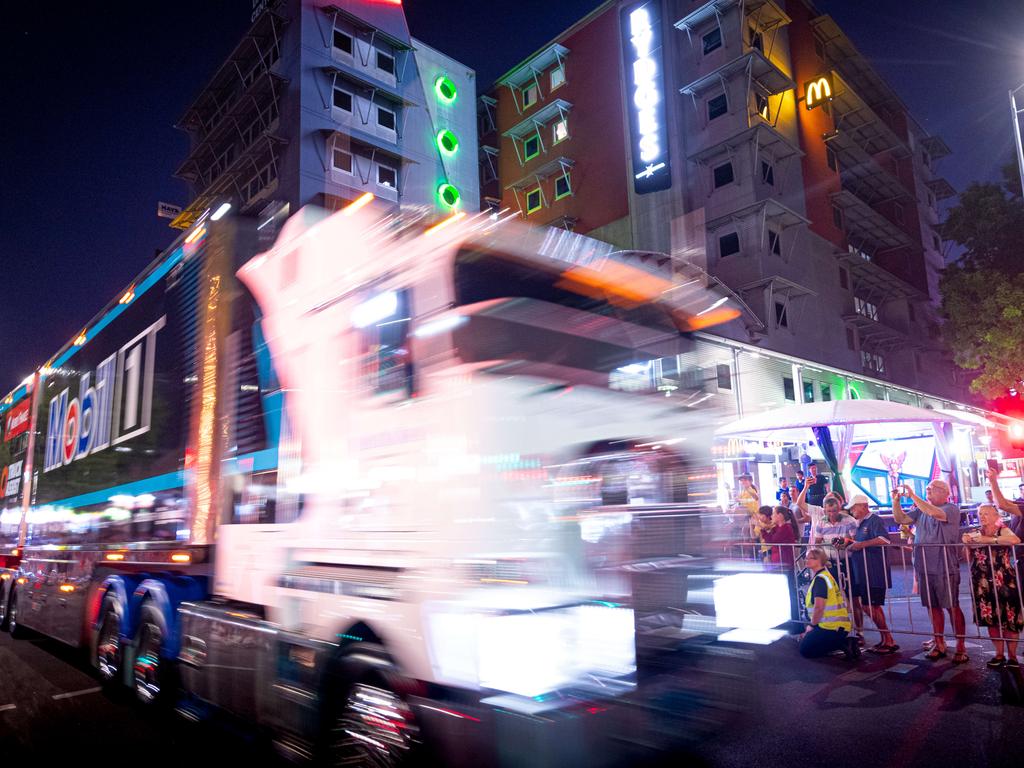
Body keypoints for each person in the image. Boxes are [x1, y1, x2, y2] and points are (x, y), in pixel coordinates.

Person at [892, 480, 968, 663]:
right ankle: (939, 642)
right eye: (927, 489)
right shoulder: (921, 510)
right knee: (932, 607)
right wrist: (895, 501)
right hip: (924, 565)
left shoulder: (951, 509)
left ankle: (960, 645)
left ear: (944, 492)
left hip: (945, 566)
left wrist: (913, 496)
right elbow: (900, 519)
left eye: (931, 489)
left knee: (952, 606)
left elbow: (935, 512)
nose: (928, 492)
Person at [962, 503, 1023, 668]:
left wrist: (990, 540)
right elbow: (968, 556)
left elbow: (1015, 540)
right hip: (981, 581)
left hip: (1004, 580)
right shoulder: (975, 532)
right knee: (991, 619)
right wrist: (967, 543)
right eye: (980, 513)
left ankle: (1012, 656)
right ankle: (998, 654)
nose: (982, 516)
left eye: (986, 513)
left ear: (996, 516)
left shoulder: (1003, 529)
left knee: (1009, 617)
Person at [843, 494, 898, 653]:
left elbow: (884, 539)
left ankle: (888, 639)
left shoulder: (874, 520)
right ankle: (886, 639)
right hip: (864, 571)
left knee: (870, 605)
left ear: (863, 506)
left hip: (873, 571)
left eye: (854, 508)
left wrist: (861, 545)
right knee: (870, 605)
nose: (852, 511)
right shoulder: (861, 523)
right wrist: (851, 544)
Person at [799, 547, 857, 659]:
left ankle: (842, 644)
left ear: (819, 561)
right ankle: (839, 642)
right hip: (836, 626)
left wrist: (811, 626)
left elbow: (819, 608)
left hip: (831, 627)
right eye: (806, 558)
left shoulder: (820, 579)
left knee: (805, 651)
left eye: (811, 558)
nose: (807, 561)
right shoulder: (824, 575)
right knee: (807, 643)